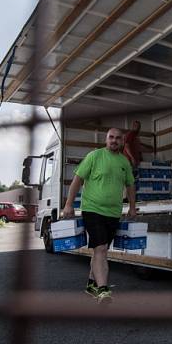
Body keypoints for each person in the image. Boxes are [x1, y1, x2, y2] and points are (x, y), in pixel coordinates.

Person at [62, 127, 136, 302]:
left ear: (122, 141)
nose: (114, 140)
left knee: (100, 251)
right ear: (106, 139)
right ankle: (103, 290)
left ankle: (91, 284)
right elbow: (77, 180)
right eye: (111, 137)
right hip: (92, 209)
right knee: (101, 248)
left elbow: (130, 185)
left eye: (118, 138)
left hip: (113, 212)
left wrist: (132, 207)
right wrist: (68, 204)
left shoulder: (124, 162)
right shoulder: (94, 156)